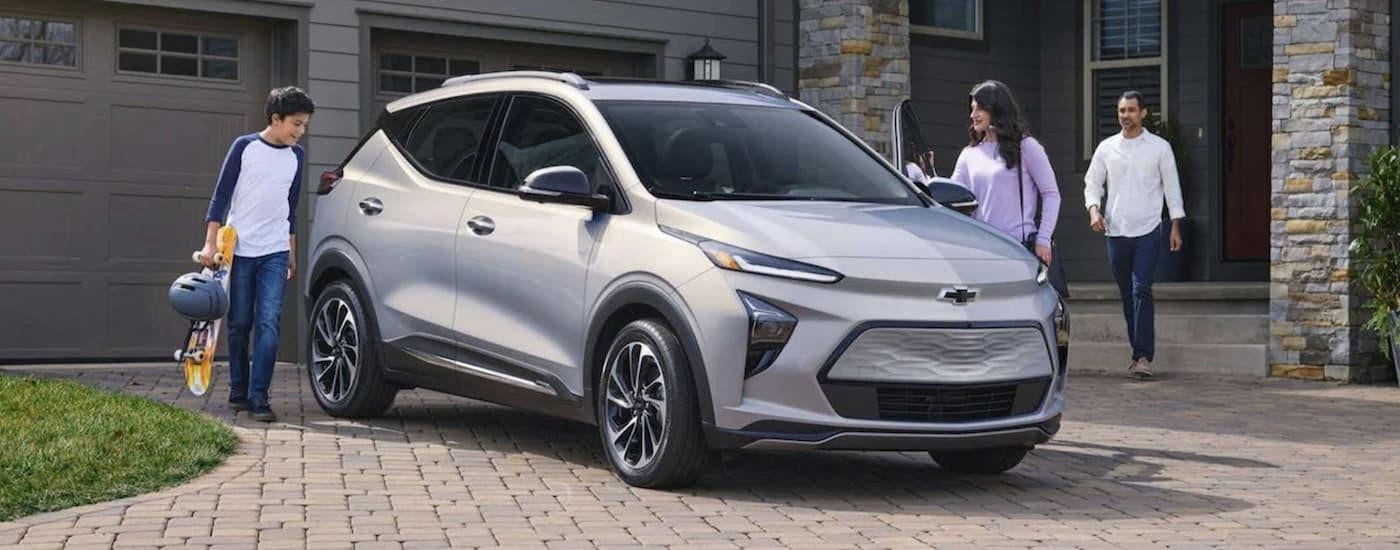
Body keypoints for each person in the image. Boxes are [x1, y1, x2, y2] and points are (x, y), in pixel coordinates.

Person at [199, 86, 314, 421]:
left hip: (275, 251)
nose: (300, 131)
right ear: (275, 119)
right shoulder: (245, 147)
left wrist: (291, 251)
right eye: (296, 123)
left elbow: (290, 209)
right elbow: (220, 197)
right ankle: (238, 390)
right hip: (239, 250)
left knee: (268, 322)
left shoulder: (298, 156)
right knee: (238, 323)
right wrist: (209, 243)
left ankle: (259, 397)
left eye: (304, 125)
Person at [1084, 90, 1185, 380]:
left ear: (1143, 113)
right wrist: (1094, 211)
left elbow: (1172, 187)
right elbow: (1093, 183)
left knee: (1141, 289)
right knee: (1128, 295)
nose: (1125, 115)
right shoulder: (1106, 148)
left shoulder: (1160, 147)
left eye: (1130, 110)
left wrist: (1175, 225)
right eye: (1121, 110)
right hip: (1116, 231)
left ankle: (1142, 356)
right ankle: (1137, 352)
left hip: (1149, 229)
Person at [949, 80, 1063, 280]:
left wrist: (1043, 239)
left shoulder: (1027, 147)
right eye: (972, 108)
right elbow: (951, 195)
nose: (972, 115)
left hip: (1018, 249)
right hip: (980, 250)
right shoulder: (969, 154)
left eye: (979, 108)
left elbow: (1051, 194)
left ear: (996, 109)